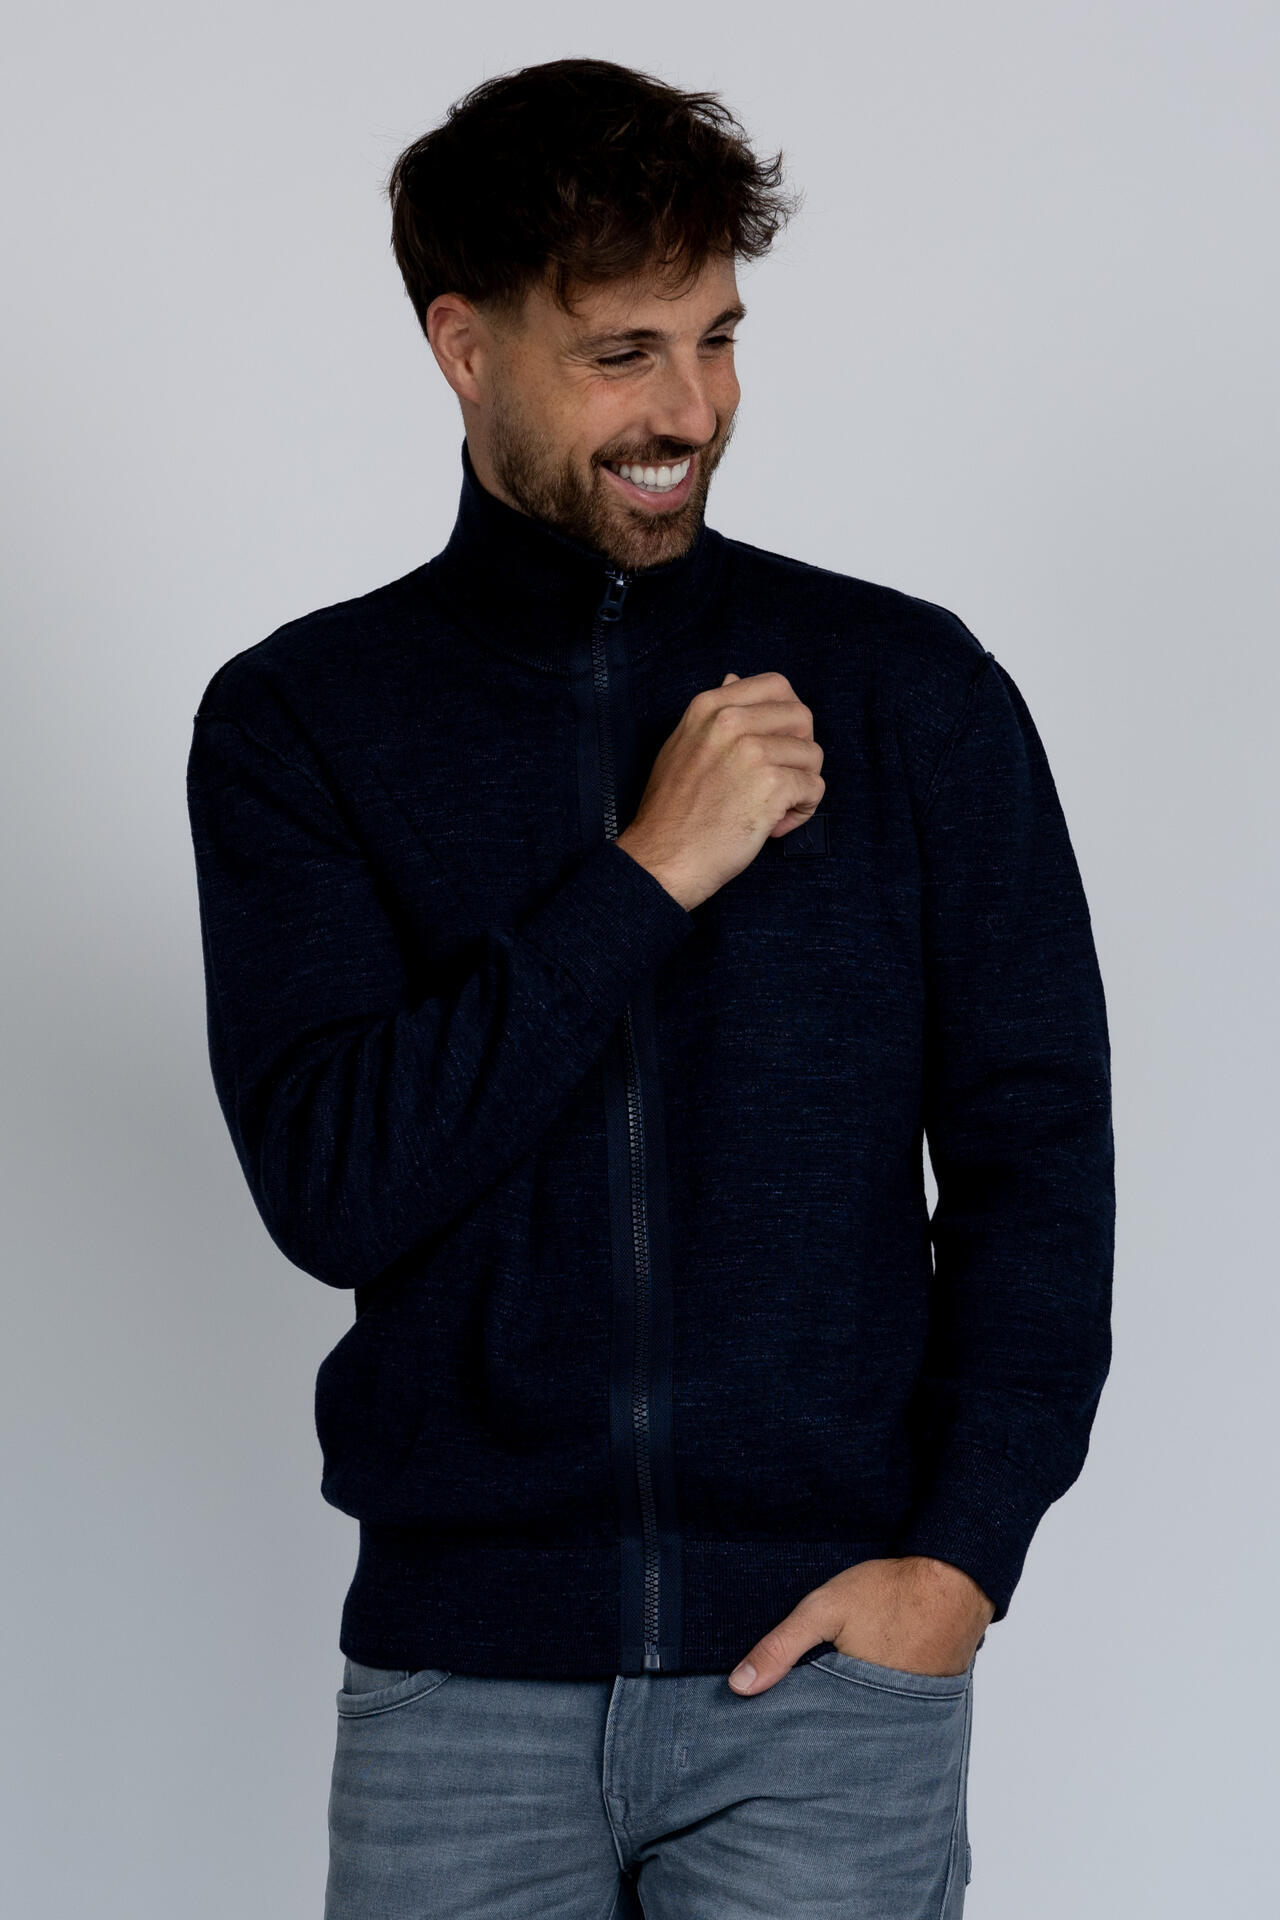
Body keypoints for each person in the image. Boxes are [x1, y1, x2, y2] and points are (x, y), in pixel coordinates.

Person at [185, 55, 1114, 1920]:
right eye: (622, 355)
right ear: (465, 347)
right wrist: (650, 871)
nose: (689, 409)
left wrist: (961, 1561)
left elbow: (1039, 1162)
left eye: (717, 340)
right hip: (460, 1694)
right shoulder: (303, 722)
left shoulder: (912, 693)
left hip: (826, 1685)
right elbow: (333, 1185)